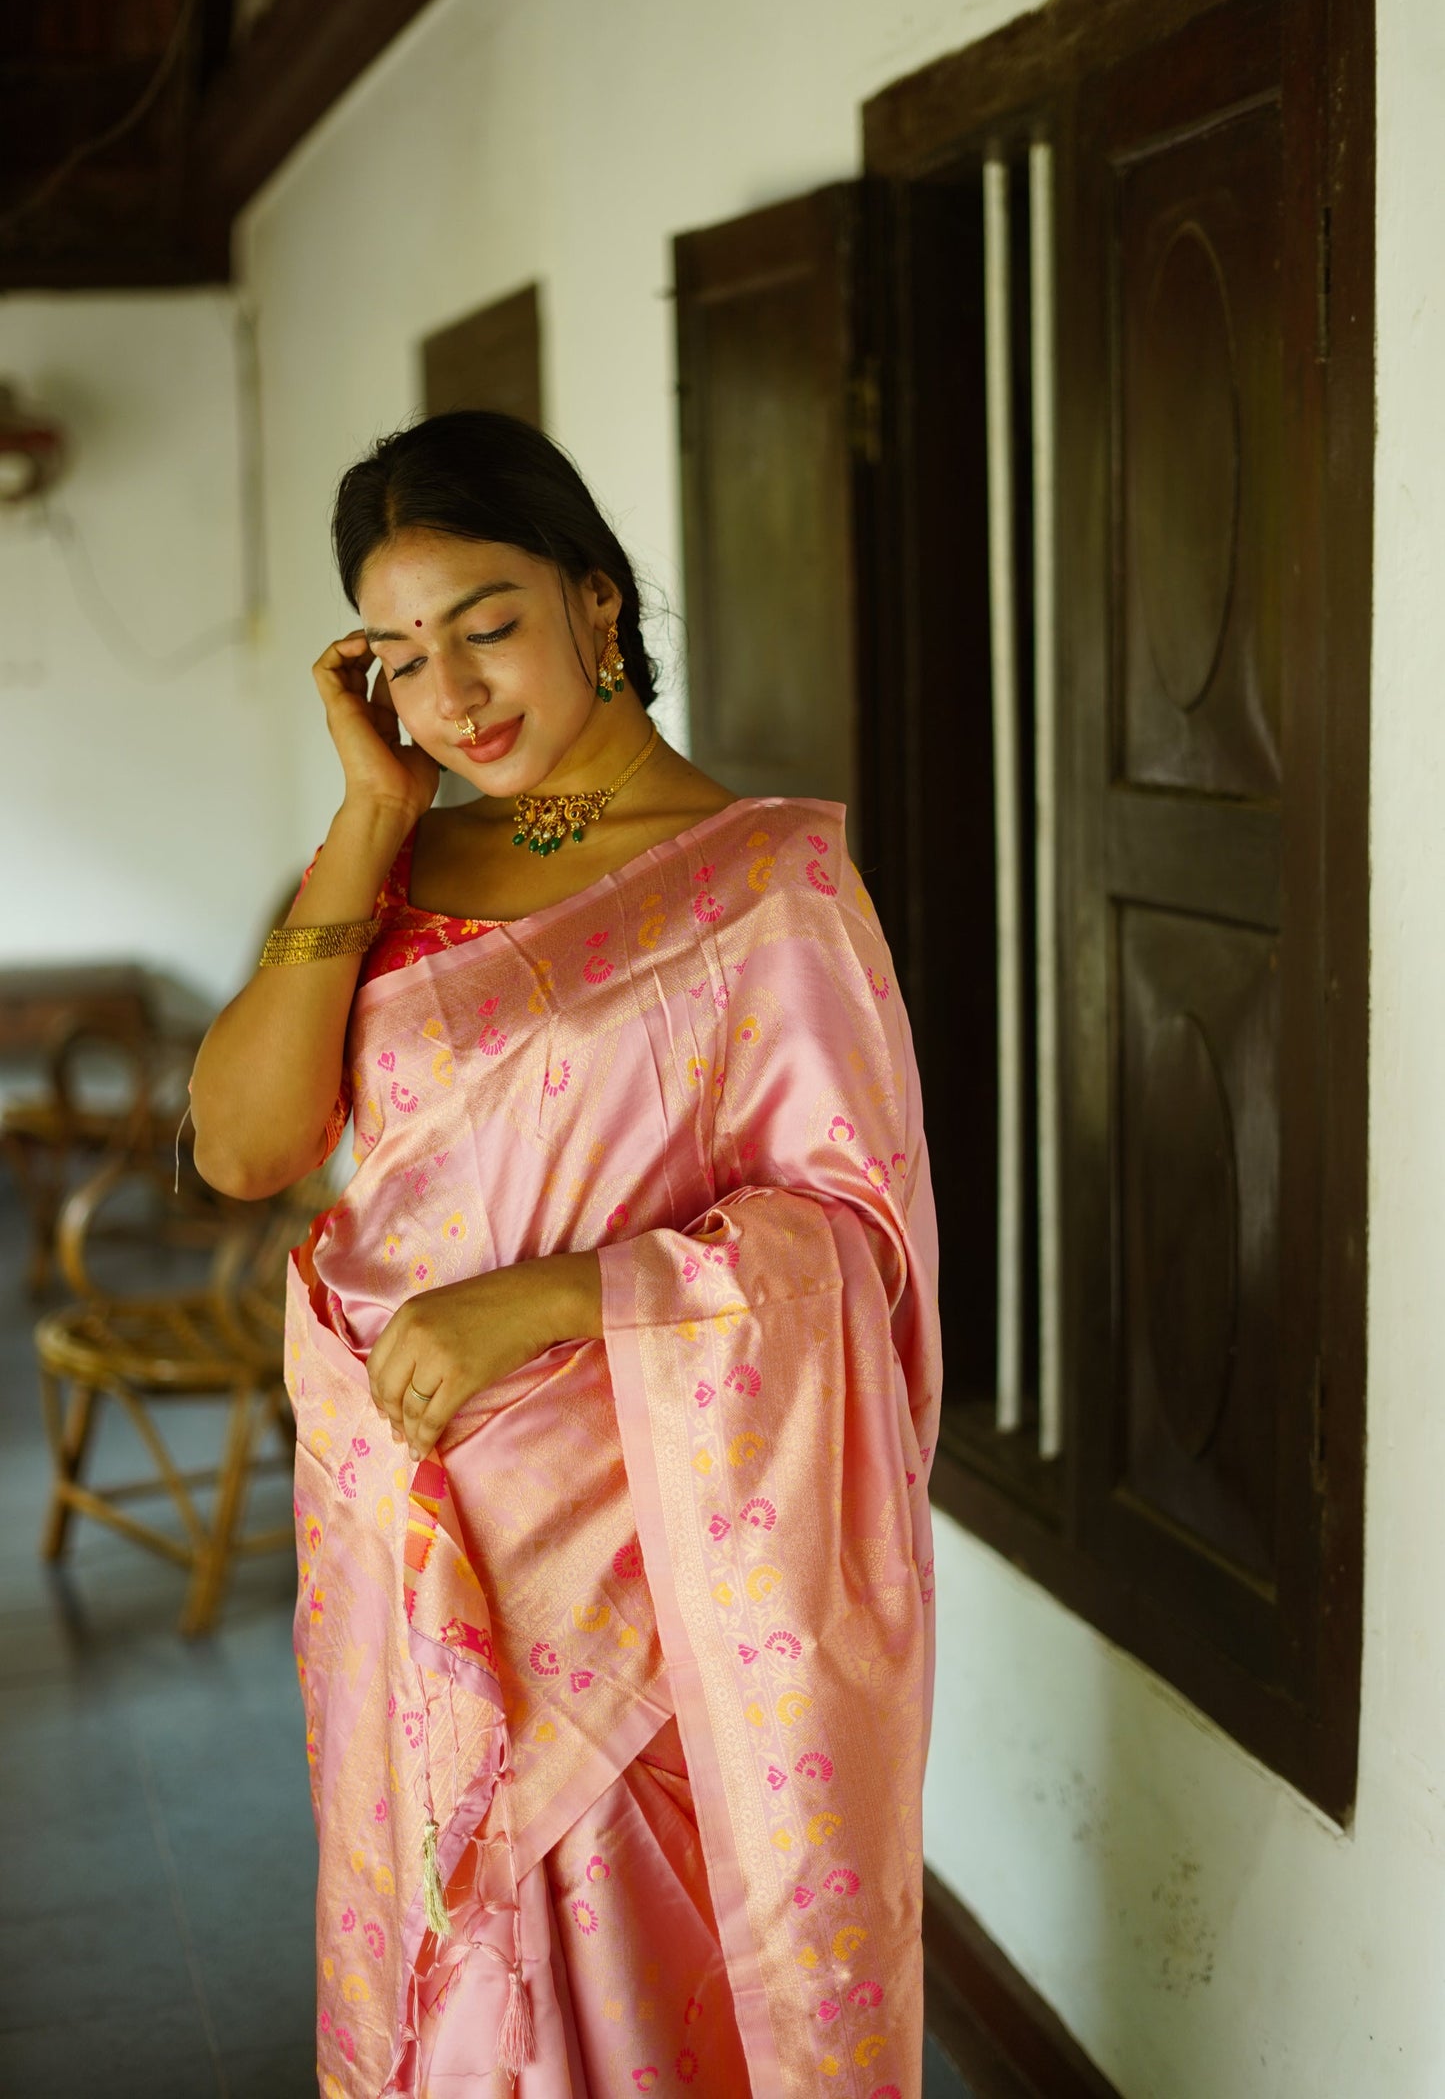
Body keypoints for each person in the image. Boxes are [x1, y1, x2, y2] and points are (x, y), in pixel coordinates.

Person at [189, 411, 940, 2098]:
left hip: (641, 1551)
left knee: (622, 1975)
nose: (449, 694)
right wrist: (371, 818)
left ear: (596, 603)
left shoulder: (766, 885)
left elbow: (848, 1249)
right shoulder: (386, 867)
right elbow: (243, 1146)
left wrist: (551, 1295)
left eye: (488, 624)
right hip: (406, 1520)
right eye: (398, 654)